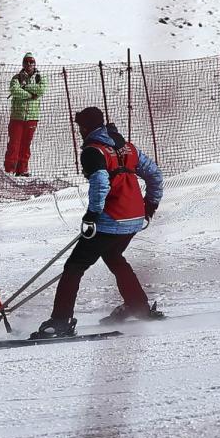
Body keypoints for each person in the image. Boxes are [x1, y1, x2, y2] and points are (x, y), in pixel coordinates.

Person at [31, 107, 164, 339]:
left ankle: (61, 321)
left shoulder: (93, 151)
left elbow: (101, 182)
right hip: (133, 219)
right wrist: (149, 206)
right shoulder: (128, 147)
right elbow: (155, 174)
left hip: (110, 220)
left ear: (84, 128)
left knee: (74, 267)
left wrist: (92, 215)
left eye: (80, 128)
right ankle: (139, 307)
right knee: (114, 257)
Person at [4, 52, 47, 177]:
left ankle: (22, 169)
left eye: (31, 62)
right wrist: (30, 95)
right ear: (23, 64)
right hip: (17, 117)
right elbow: (14, 90)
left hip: (32, 117)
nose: (29, 64)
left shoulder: (40, 77)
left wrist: (25, 87)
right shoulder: (16, 78)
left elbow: (41, 89)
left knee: (26, 145)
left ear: (34, 64)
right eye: (27, 62)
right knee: (14, 144)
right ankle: (10, 170)